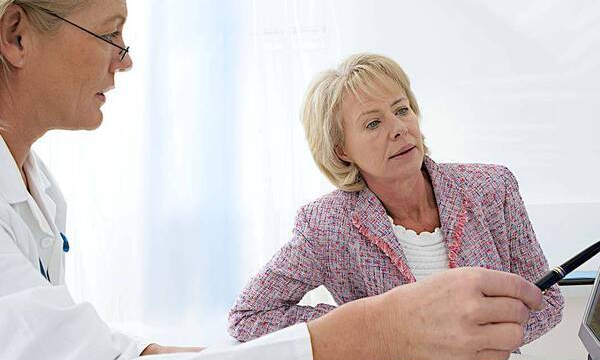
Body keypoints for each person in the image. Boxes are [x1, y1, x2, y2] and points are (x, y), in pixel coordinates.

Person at [0, 0, 545, 360]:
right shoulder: (330, 222)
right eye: (109, 34)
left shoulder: (37, 189)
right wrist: (378, 328)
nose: (125, 58)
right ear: (16, 36)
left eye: (402, 110)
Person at [228, 53, 564, 344]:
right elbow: (248, 316)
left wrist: (483, 336)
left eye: (401, 110)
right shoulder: (326, 225)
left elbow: (546, 301)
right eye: (373, 123)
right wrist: (371, 329)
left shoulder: (491, 187)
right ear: (342, 150)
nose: (398, 128)